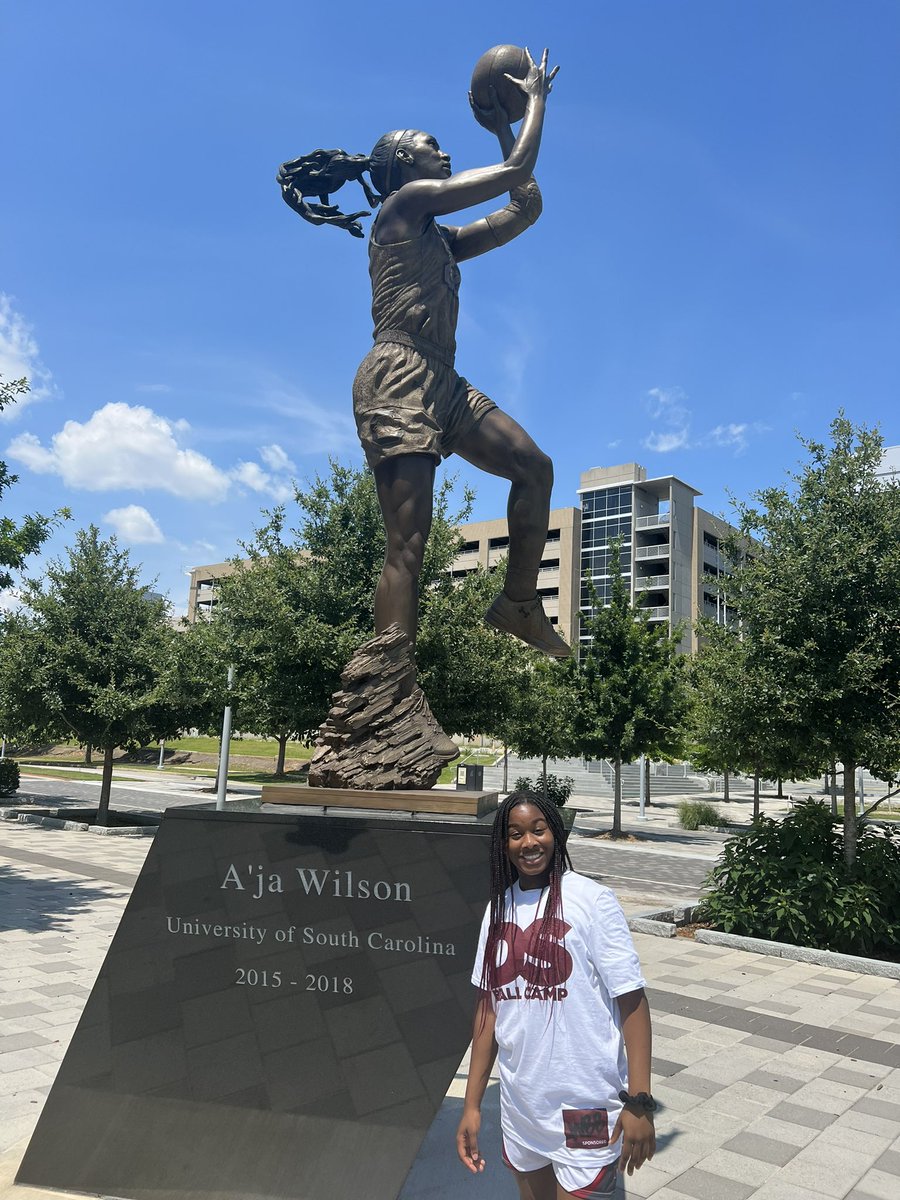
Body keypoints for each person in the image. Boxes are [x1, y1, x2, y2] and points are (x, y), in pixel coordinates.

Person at [277, 49, 569, 666]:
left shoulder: (440, 240)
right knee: (407, 546)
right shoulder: (403, 209)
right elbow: (517, 170)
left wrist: (500, 123)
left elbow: (526, 206)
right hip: (400, 375)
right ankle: (386, 682)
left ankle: (518, 601)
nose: (444, 152)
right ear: (404, 164)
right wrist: (535, 99)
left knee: (533, 467)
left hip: (445, 380)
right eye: (432, 145)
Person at [456, 792, 655, 1198]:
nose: (528, 843)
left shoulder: (592, 900)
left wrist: (640, 1101)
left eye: (538, 830)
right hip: (522, 1108)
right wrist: (472, 1106)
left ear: (556, 833)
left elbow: (632, 1003)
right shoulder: (498, 911)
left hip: (585, 1107)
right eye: (515, 834)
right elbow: (487, 1014)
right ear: (503, 844)